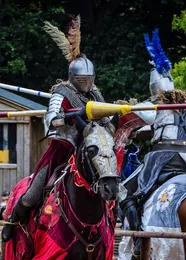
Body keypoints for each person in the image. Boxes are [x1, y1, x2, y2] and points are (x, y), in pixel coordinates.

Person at [2, 15, 108, 242]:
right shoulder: (62, 92)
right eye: (82, 78)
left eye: (88, 78)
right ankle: (12, 220)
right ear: (73, 77)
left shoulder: (95, 95)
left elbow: (106, 121)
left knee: (112, 184)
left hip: (91, 151)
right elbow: (51, 120)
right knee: (32, 194)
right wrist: (73, 116)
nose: (85, 82)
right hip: (63, 149)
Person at [120, 29, 186, 245]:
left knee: (125, 191)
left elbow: (141, 119)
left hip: (160, 159)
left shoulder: (152, 106)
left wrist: (127, 109)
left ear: (154, 88)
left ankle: (137, 240)